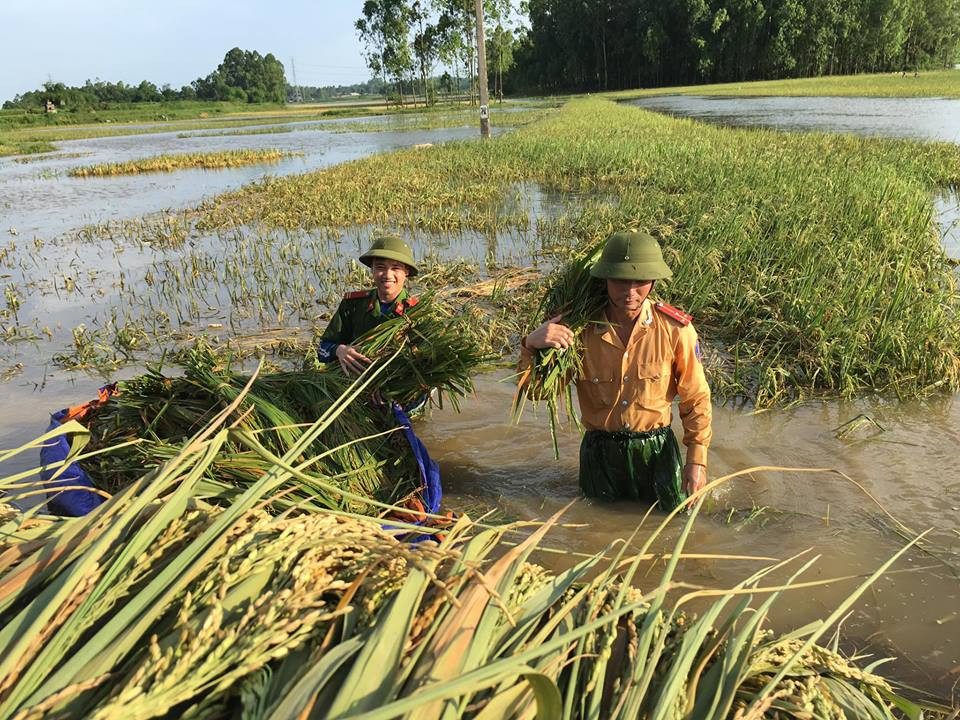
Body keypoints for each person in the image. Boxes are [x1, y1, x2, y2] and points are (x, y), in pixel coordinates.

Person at [519, 230, 712, 511]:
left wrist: (696, 460)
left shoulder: (675, 330)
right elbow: (539, 393)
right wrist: (530, 345)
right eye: (620, 280)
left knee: (672, 520)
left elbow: (696, 397)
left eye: (640, 281)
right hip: (599, 455)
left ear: (653, 282)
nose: (630, 292)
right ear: (605, 278)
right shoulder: (577, 331)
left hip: (656, 452)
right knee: (595, 523)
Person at [318, 234, 419, 375]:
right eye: (380, 267)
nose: (387, 275)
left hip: (397, 380)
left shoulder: (416, 311)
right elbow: (323, 348)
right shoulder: (353, 304)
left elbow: (425, 362)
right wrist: (339, 350)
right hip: (354, 378)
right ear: (372, 269)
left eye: (396, 268)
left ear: (406, 272)